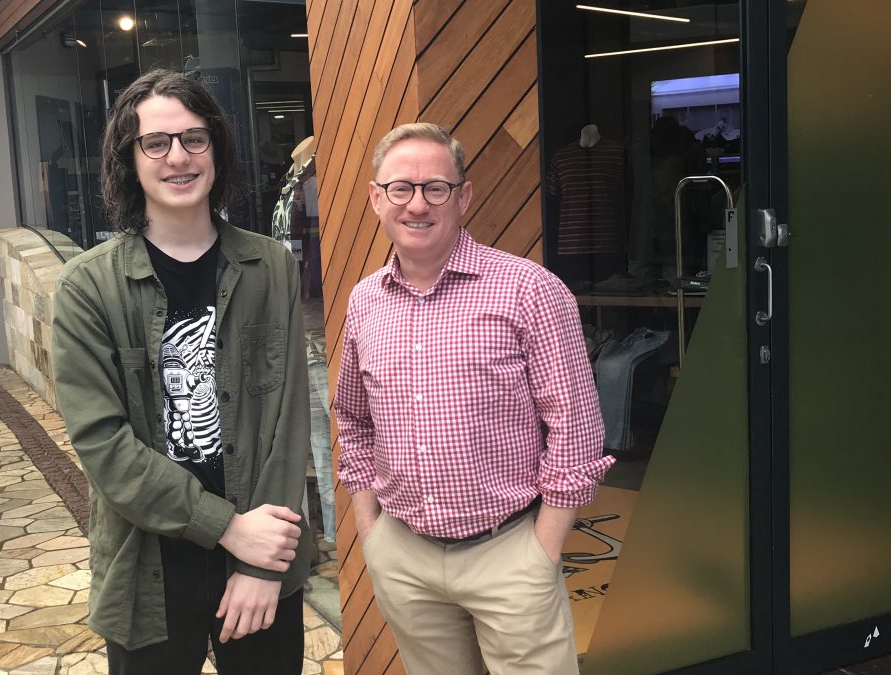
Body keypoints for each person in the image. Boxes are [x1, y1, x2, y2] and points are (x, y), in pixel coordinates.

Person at [51, 69, 312, 675]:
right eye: (156, 143)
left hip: (263, 552)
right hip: (148, 564)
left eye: (195, 139)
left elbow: (288, 420)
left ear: (216, 150)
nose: (178, 157)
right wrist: (226, 529)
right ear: (130, 159)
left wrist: (258, 561)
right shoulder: (88, 286)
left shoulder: (269, 265)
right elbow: (102, 442)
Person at [334, 123, 615, 675]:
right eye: (400, 188)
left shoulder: (529, 290)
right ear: (375, 199)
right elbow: (353, 418)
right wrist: (373, 535)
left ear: (464, 196)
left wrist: (543, 551)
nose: (417, 204)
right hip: (405, 554)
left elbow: (577, 428)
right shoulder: (365, 301)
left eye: (436, 187)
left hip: (510, 550)